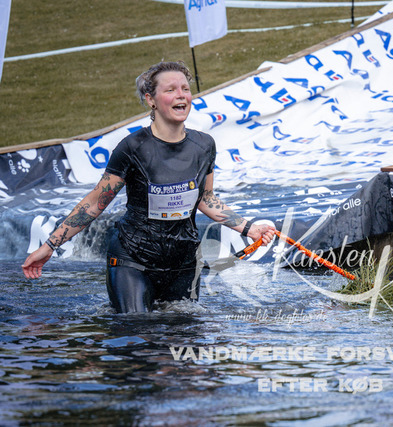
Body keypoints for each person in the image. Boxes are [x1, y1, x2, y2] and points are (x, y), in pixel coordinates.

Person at [22, 61, 275, 313]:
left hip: (183, 264)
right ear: (151, 100)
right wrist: (50, 245)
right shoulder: (132, 147)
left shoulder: (204, 145)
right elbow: (95, 202)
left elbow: (205, 198)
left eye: (185, 89)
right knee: (137, 330)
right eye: (171, 90)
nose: (181, 95)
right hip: (132, 261)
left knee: (183, 332)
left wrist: (249, 228)